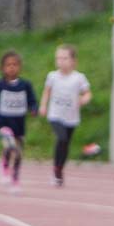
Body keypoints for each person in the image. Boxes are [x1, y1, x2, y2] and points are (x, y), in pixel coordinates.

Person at [39, 45, 91, 187]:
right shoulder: (52, 76)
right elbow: (46, 92)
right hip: (55, 115)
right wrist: (43, 105)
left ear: (73, 61)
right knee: (61, 138)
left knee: (66, 143)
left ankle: (59, 169)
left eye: (64, 58)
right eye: (58, 58)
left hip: (71, 117)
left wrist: (84, 99)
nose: (61, 61)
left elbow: (87, 93)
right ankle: (56, 168)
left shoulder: (79, 78)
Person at [0, 51, 38, 191]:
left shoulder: (25, 85)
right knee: (9, 143)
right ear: (2, 68)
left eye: (15, 64)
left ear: (20, 67)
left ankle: (15, 179)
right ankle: (5, 166)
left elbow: (32, 100)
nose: (11, 67)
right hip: (3, 122)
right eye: (8, 65)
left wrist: (34, 108)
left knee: (18, 152)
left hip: (19, 123)